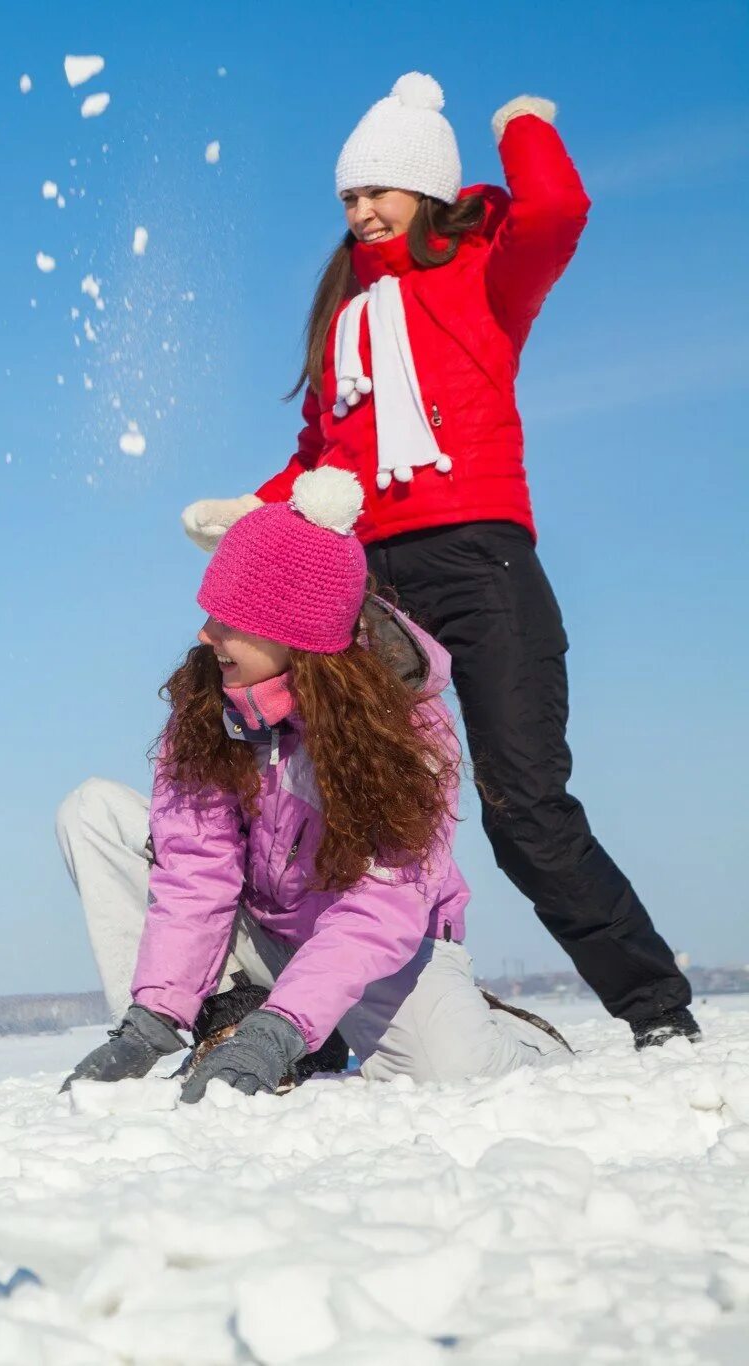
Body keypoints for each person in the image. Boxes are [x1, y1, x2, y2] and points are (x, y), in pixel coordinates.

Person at [177, 73, 695, 1048]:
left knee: (522, 804)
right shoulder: (341, 322)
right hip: (367, 584)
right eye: (346, 196)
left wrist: (522, 127)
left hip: (481, 567)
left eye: (377, 190)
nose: (360, 210)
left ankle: (653, 1006)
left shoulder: (485, 274)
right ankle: (306, 996)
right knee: (331, 790)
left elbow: (556, 206)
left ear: (423, 191)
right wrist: (252, 506)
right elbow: (319, 454)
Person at [62, 469, 569, 1099]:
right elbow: (196, 869)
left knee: (452, 1072)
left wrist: (283, 1028)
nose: (205, 634)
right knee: (93, 812)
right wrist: (153, 1020)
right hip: (264, 931)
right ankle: (217, 1019)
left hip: (379, 949)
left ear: (295, 634)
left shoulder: (406, 727)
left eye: (229, 619)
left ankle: (507, 1036)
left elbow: (383, 907)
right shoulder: (211, 703)